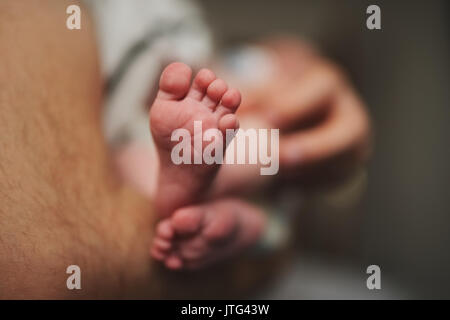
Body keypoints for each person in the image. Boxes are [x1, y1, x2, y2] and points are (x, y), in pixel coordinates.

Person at [0, 0, 370, 298]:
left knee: (256, 143)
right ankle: (229, 214)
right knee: (242, 146)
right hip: (137, 137)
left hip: (178, 131)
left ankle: (226, 210)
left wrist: (276, 69)